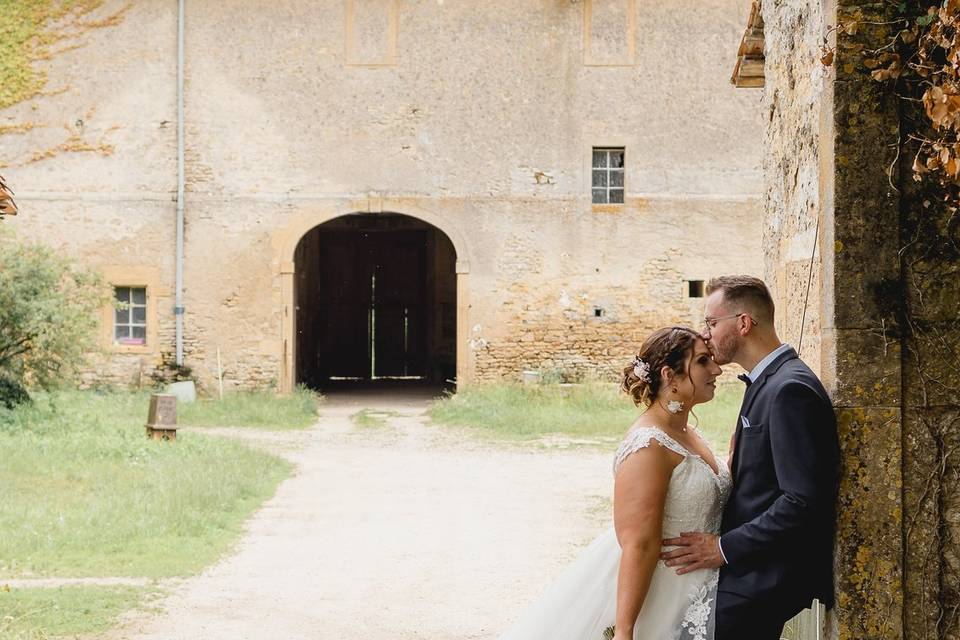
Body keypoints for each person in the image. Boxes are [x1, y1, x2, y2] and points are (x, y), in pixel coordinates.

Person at [499, 326, 730, 640]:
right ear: (670, 375)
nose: (717, 369)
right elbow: (639, 543)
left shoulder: (689, 433)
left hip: (700, 588)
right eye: (703, 361)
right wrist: (624, 631)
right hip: (661, 596)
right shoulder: (648, 445)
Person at [660, 276, 840, 639]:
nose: (706, 335)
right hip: (750, 568)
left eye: (711, 323)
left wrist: (722, 548)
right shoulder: (768, 380)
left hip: (765, 576)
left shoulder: (789, 389)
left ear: (743, 323)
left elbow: (803, 500)